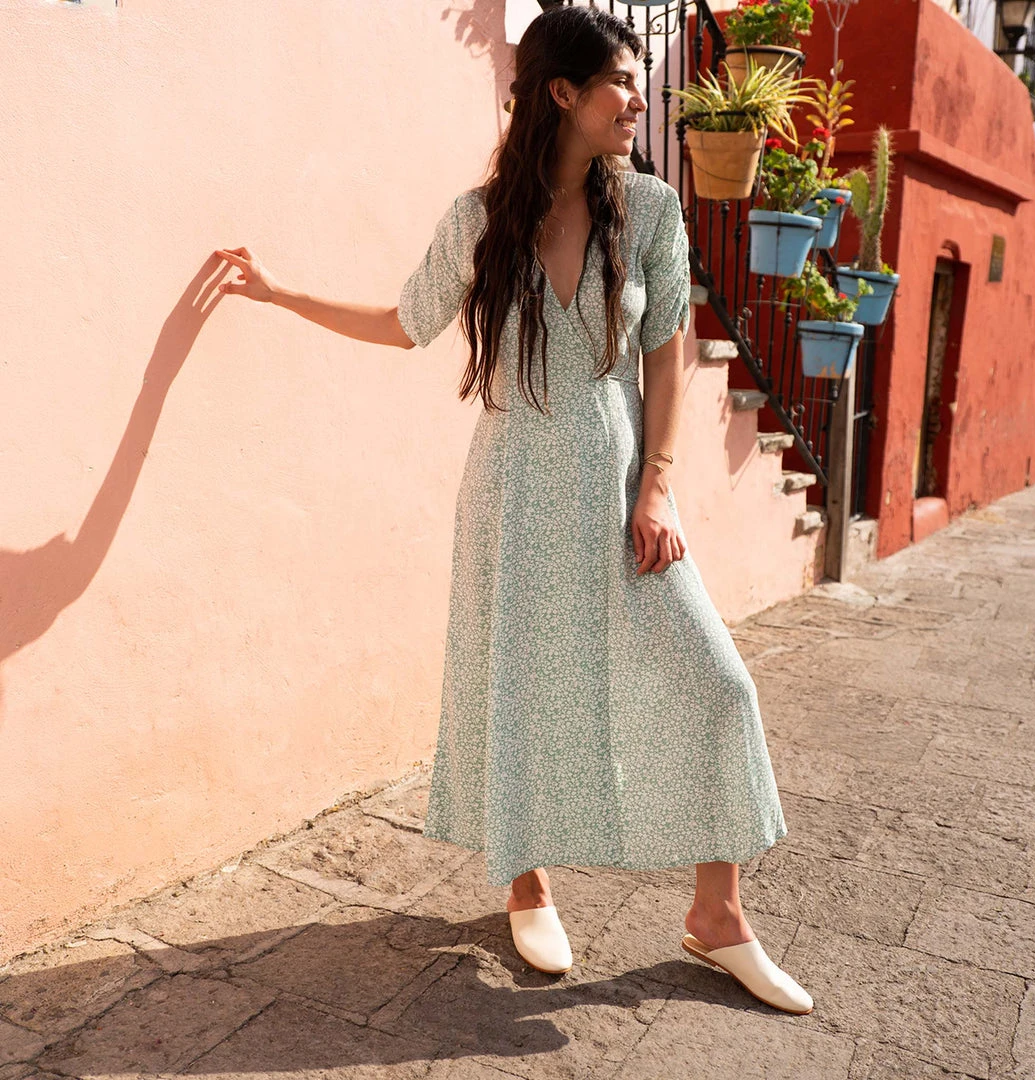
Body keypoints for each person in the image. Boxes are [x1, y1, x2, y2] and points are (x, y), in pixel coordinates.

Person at [213, 5, 812, 1015]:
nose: (641, 99)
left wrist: (658, 485)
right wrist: (281, 295)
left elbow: (668, 353)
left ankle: (718, 916)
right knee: (520, 686)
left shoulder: (652, 210)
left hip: (621, 489)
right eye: (622, 82)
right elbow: (405, 322)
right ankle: (526, 883)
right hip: (514, 492)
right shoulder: (478, 219)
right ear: (562, 93)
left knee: (719, 684)